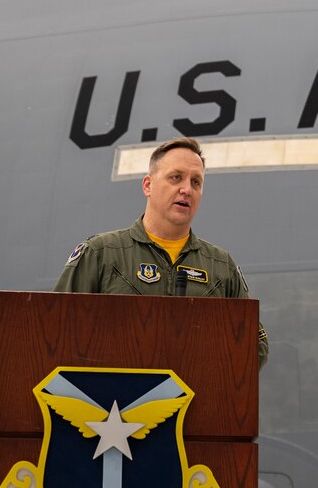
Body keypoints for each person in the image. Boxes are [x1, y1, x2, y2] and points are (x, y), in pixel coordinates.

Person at [55, 137, 268, 368]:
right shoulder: (101, 254)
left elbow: (255, 347)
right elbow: (55, 331)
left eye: (196, 182)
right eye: (176, 177)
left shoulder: (221, 267)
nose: (186, 189)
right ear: (148, 185)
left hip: (196, 401)